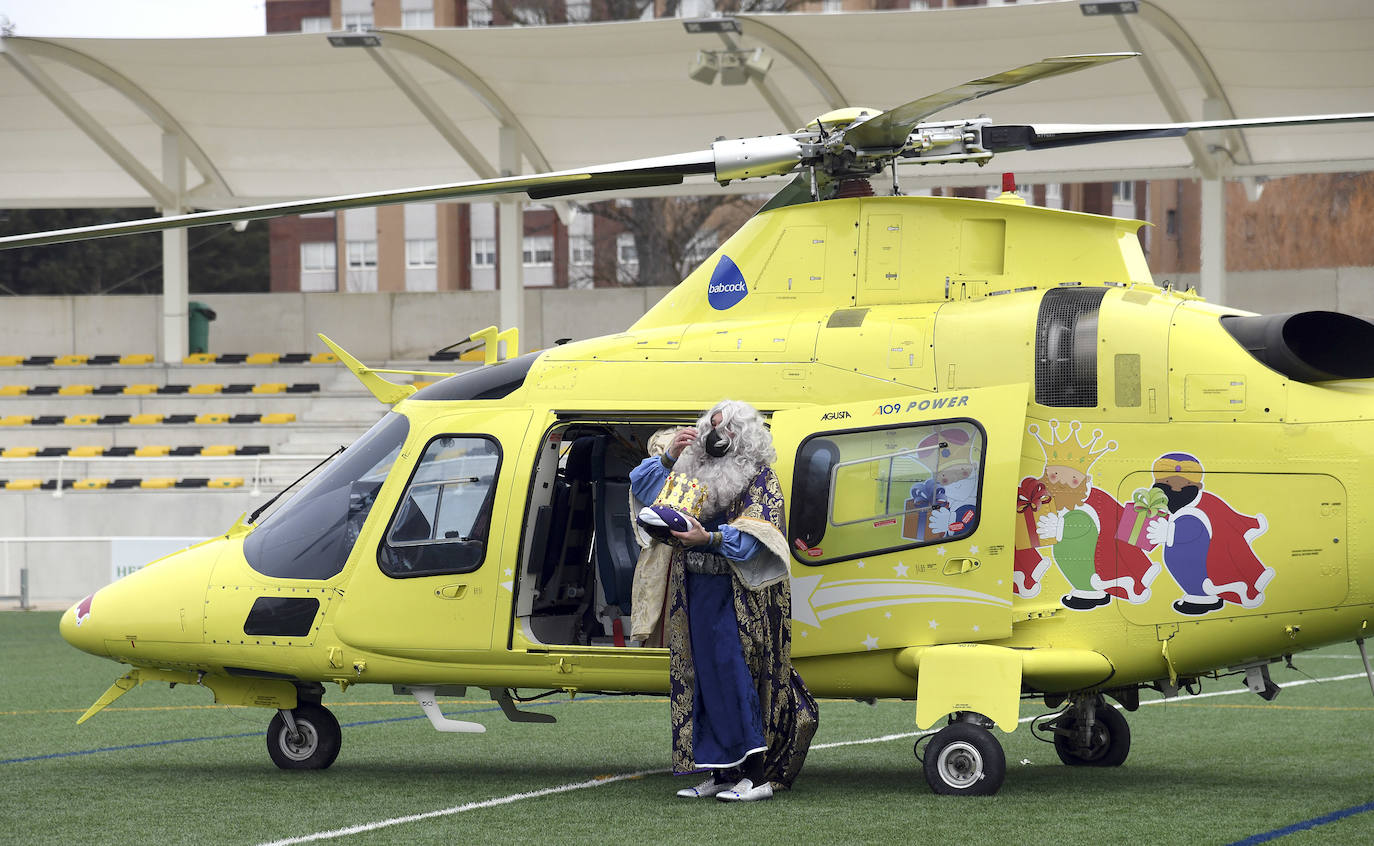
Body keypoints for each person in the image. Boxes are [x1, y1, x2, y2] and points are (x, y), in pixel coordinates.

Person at [629, 399, 817, 803]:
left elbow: (757, 539)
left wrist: (710, 539)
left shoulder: (759, 477)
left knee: (736, 675)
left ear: (744, 434)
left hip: (739, 595)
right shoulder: (690, 468)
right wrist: (669, 456)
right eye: (712, 424)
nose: (717, 434)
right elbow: (643, 488)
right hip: (695, 588)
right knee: (702, 677)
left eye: (727, 427)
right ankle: (719, 771)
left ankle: (756, 775)